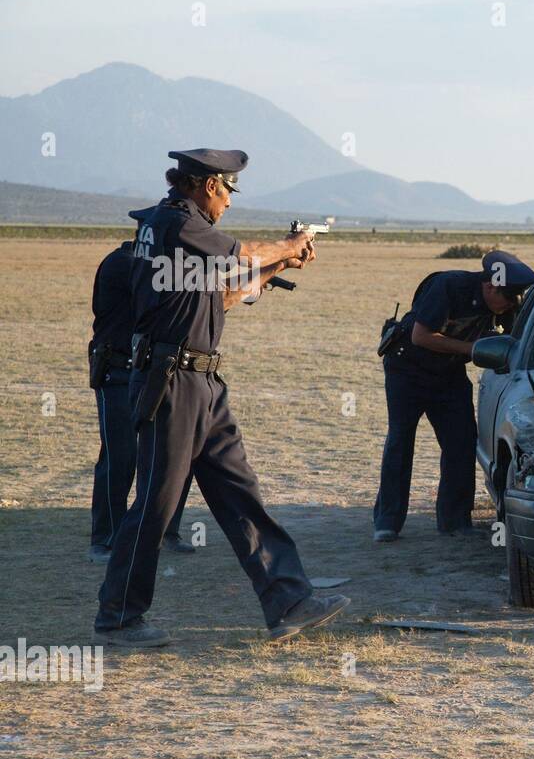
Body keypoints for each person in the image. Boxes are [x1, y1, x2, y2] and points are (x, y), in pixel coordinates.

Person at [95, 148, 349, 647]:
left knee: (239, 492)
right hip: (175, 381)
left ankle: (288, 600)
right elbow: (240, 254)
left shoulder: (175, 233)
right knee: (155, 504)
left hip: (202, 382)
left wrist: (280, 265)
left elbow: (223, 297)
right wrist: (287, 243)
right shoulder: (177, 222)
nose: (230, 202)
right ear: (209, 185)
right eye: (229, 191)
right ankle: (119, 618)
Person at [373, 250, 534, 542]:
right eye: (508, 298)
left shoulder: (505, 302)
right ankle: (387, 522)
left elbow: (516, 339)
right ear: (489, 286)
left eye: (515, 299)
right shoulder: (449, 286)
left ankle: (455, 520)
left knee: (461, 442)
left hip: (448, 375)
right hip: (406, 370)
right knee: (400, 440)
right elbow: (421, 336)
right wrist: (472, 349)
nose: (511, 305)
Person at [88, 240, 194, 563]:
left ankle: (164, 531)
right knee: (121, 456)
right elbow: (164, 295)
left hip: (150, 371)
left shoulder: (150, 264)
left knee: (175, 452)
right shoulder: (125, 263)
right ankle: (105, 540)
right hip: (116, 371)